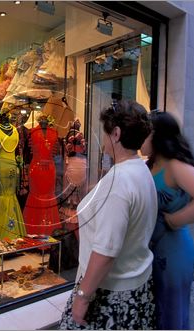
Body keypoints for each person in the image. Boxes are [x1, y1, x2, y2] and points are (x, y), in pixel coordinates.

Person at [59, 100, 157, 329]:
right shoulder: (140, 169)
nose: (102, 140)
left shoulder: (119, 181)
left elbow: (106, 251)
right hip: (136, 283)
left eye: (104, 133)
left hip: (110, 293)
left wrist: (83, 296)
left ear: (116, 133)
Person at [140, 111, 194, 330]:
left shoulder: (175, 166)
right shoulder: (150, 165)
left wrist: (175, 220)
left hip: (173, 253)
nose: (140, 137)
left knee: (170, 314)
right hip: (153, 252)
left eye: (145, 133)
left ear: (157, 136)